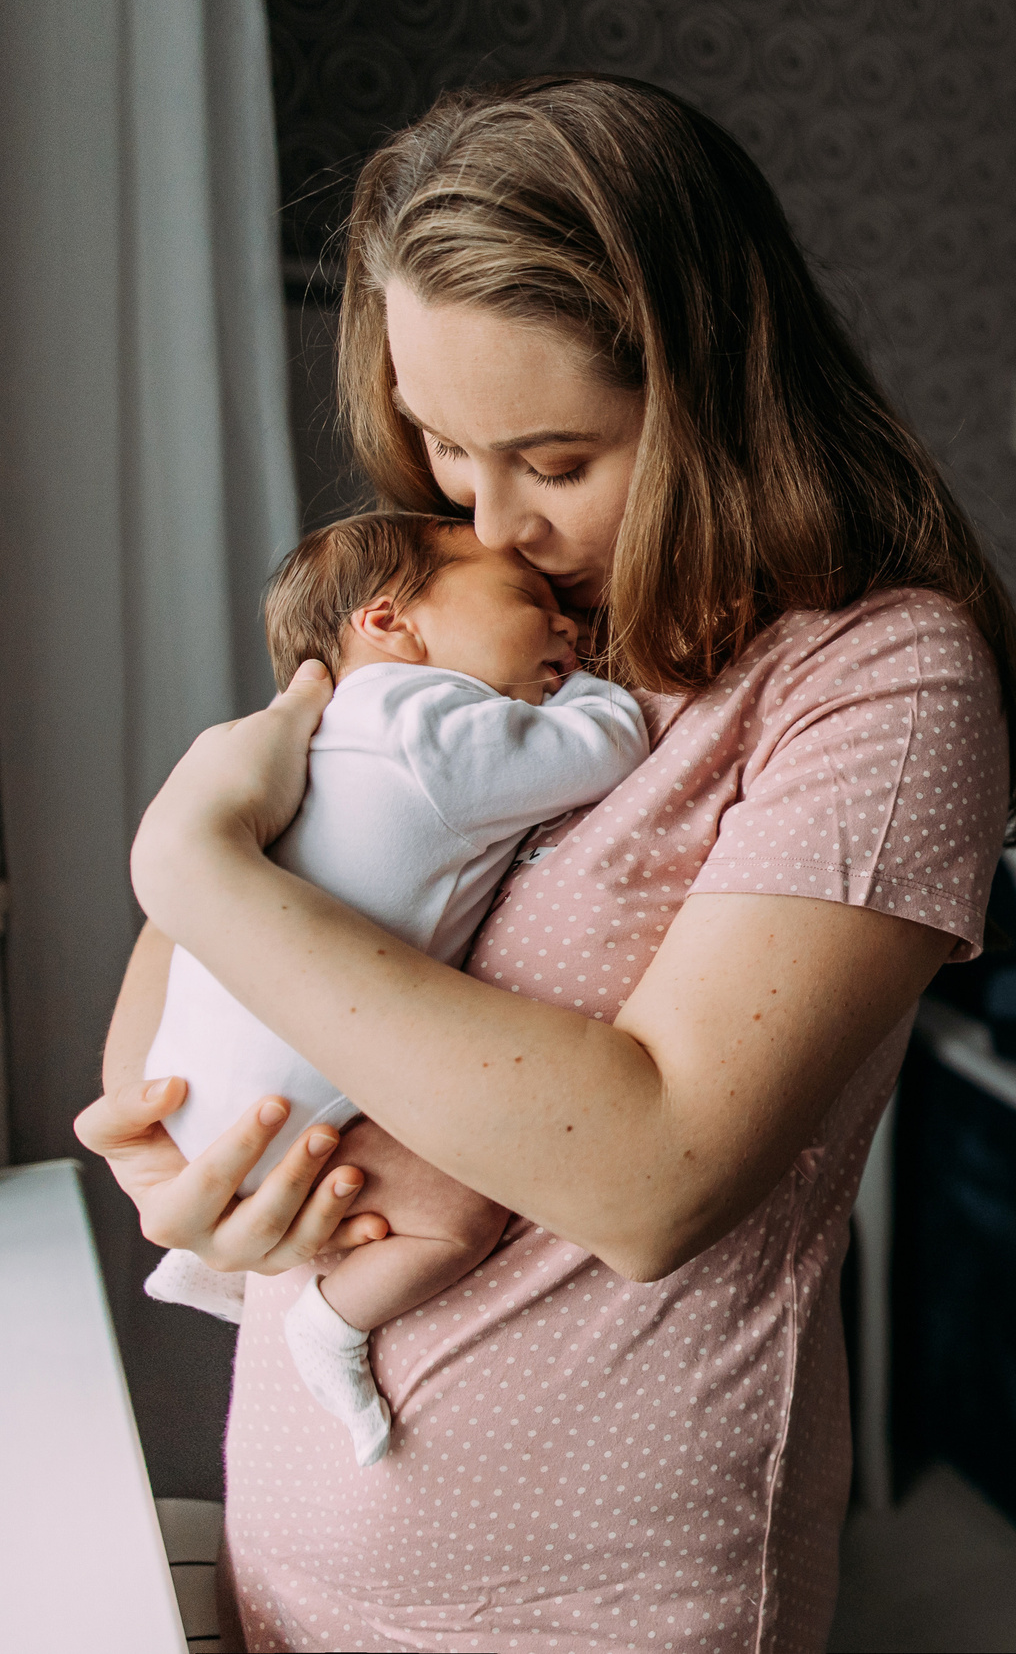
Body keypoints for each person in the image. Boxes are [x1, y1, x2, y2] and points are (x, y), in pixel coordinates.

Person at [76, 74, 1016, 1652]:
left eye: (555, 457)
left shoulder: (876, 679)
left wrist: (194, 862)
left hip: (600, 1598)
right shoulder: (461, 601)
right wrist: (190, 1171)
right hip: (295, 1534)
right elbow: (184, 1025)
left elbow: (649, 1172)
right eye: (442, 444)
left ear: (721, 398)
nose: (488, 515)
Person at [144, 512, 651, 1468]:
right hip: (287, 1093)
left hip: (208, 1078)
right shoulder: (425, 724)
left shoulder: (343, 732)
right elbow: (606, 748)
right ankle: (332, 1322)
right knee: (459, 1218)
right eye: (528, 602)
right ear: (390, 623)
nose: (568, 628)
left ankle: (203, 1264)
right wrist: (602, 689)